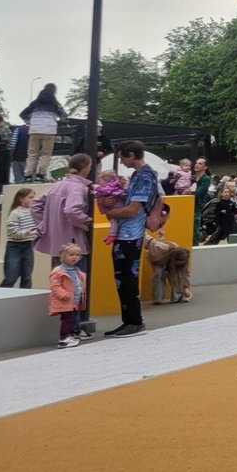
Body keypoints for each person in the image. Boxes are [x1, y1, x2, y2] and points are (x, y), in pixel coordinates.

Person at [99, 141, 159, 338]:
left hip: (131, 234)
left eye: (123, 157)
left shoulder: (144, 176)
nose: (122, 162)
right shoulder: (139, 175)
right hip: (126, 233)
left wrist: (111, 211)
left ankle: (134, 321)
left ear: (131, 155)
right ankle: (129, 320)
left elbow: (132, 209)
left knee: (127, 278)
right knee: (122, 279)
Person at [31, 152, 92, 266]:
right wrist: (87, 221)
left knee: (59, 279)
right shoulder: (77, 187)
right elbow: (72, 210)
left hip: (56, 244)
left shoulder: (58, 185)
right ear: (86, 167)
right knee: (75, 280)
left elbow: (35, 204)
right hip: (73, 244)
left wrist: (44, 224)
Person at [18, 84, 63, 182]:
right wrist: (56, 122)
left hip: (34, 130)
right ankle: (40, 175)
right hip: (49, 130)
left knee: (32, 153)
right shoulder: (55, 104)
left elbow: (22, 114)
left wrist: (29, 122)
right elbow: (63, 115)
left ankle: (28, 175)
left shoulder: (35, 103)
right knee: (46, 154)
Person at [48, 243, 88, 349]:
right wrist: (63, 294)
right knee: (67, 320)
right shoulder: (58, 271)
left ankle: (69, 336)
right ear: (63, 256)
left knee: (72, 319)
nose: (74, 257)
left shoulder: (76, 270)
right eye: (71, 255)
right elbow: (55, 286)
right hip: (65, 301)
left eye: (77, 255)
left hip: (74, 302)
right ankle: (63, 338)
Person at [0, 188, 39, 288]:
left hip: (28, 245)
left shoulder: (33, 211)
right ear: (21, 199)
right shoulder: (15, 213)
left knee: (27, 276)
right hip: (14, 246)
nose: (33, 199)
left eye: (33, 197)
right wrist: (28, 231)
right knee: (11, 277)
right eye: (30, 197)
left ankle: (25, 300)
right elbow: (13, 233)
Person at [200, 181, 237, 245]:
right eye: (225, 192)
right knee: (219, 234)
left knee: (232, 234)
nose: (227, 193)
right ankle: (208, 244)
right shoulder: (219, 202)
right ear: (222, 193)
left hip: (231, 221)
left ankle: (234, 245)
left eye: (228, 192)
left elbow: (235, 209)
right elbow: (215, 212)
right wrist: (220, 213)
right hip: (223, 222)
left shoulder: (231, 201)